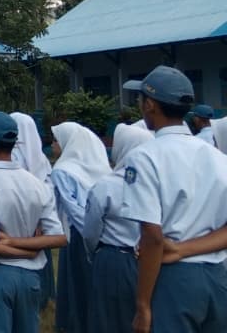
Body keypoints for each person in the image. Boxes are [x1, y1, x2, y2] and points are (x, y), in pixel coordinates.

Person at [120, 65, 227, 333]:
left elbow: (153, 236)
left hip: (171, 276)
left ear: (151, 105)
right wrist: (183, 248)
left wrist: (143, 305)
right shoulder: (218, 157)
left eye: (141, 99)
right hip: (216, 276)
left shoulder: (144, 157)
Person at [0, 111, 68, 333]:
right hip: (30, 277)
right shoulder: (36, 184)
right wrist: (30, 251)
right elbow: (58, 237)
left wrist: (10, 242)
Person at [80, 122, 152, 333]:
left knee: (107, 317)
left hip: (112, 257)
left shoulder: (106, 186)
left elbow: (91, 232)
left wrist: (94, 254)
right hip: (149, 258)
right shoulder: (152, 184)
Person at [49, 121, 111, 333]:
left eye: (56, 140)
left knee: (78, 285)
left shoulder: (62, 170)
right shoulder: (99, 165)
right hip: (104, 233)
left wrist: (86, 235)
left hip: (78, 234)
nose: (53, 144)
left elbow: (72, 209)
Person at [9, 111, 55, 309]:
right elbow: (48, 190)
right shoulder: (41, 159)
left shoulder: (12, 157)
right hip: (38, 219)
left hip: (18, 218)